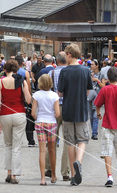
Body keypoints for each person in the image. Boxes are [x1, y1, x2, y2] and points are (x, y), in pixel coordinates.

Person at [58, 44, 92, 186]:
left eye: (66, 54)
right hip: (82, 110)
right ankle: (79, 161)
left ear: (70, 55)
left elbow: (60, 93)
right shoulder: (86, 70)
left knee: (70, 142)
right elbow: (88, 91)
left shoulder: (64, 72)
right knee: (83, 140)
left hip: (67, 110)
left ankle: (73, 175)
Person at [0, 59, 31, 184]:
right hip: (19, 114)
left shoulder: (1, 82)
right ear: (16, 69)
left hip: (5, 114)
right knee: (17, 146)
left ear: (5, 70)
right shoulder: (21, 81)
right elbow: (28, 99)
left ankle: (8, 173)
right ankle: (15, 175)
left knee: (8, 145)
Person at [45, 51, 70, 181]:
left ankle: (49, 168)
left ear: (57, 61)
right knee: (67, 140)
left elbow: (47, 90)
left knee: (51, 138)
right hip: (66, 107)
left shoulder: (51, 73)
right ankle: (65, 171)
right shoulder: (69, 73)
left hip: (53, 109)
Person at [32, 74, 61, 185]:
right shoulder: (54, 95)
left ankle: (43, 178)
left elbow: (33, 113)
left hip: (40, 122)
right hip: (51, 123)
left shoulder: (37, 95)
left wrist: (38, 117)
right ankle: (53, 175)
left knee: (42, 151)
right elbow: (57, 113)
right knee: (52, 150)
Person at [89, 59, 102, 140]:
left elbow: (103, 86)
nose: (91, 66)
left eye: (93, 64)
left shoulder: (101, 75)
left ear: (97, 66)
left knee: (95, 116)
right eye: (91, 64)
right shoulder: (89, 73)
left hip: (98, 97)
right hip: (89, 97)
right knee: (90, 116)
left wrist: (97, 80)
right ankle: (93, 131)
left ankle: (94, 133)